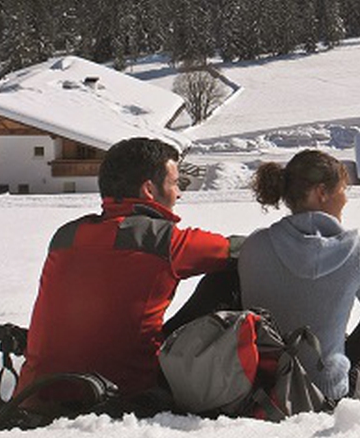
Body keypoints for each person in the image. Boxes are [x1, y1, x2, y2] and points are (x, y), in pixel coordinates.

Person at [17, 136, 238, 404]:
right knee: (227, 277)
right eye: (175, 184)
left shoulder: (66, 237)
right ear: (148, 189)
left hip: (33, 397)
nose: (179, 194)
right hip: (121, 398)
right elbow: (243, 249)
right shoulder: (165, 241)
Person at [238, 150, 360, 406]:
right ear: (321, 193)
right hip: (330, 397)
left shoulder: (255, 245)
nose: (345, 199)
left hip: (268, 389)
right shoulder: (354, 251)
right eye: (343, 190)